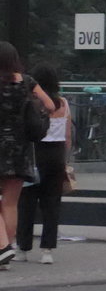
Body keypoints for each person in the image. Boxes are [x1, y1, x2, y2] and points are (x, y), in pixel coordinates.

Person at [0, 42, 55, 270]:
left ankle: (3, 249)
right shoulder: (27, 82)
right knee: (11, 203)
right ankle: (8, 247)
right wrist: (32, 113)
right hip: (21, 150)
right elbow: (50, 105)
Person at [17, 64, 72, 264]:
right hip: (56, 156)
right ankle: (47, 251)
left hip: (34, 154)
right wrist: (65, 161)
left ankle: (22, 249)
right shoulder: (63, 103)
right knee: (52, 204)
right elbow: (67, 136)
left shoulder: (32, 102)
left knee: (26, 203)